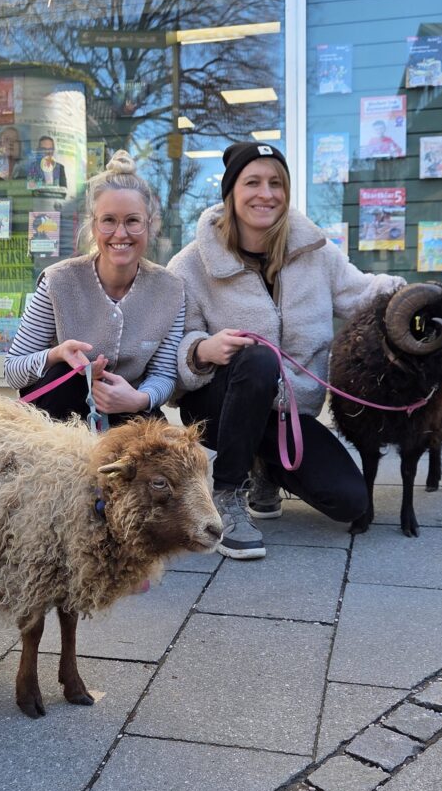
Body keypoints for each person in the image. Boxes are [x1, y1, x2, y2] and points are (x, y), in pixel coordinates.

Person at [167, 142, 404, 560]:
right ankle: (226, 492)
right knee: (258, 359)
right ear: (231, 193)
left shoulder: (316, 252)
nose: (266, 193)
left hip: (285, 413)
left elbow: (360, 293)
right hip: (217, 407)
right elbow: (174, 352)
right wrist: (204, 349)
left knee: (351, 501)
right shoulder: (191, 264)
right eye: (253, 182)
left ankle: (265, 468)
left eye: (276, 183)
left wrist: (410, 295)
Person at [4, 151, 184, 425]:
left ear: (151, 225)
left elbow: (164, 375)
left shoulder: (170, 290)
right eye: (109, 220)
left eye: (133, 221)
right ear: (93, 225)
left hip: (129, 408)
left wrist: (140, 399)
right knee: (64, 375)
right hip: (58, 418)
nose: (120, 233)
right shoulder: (58, 281)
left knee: (164, 457)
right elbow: (12, 371)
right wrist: (57, 354)